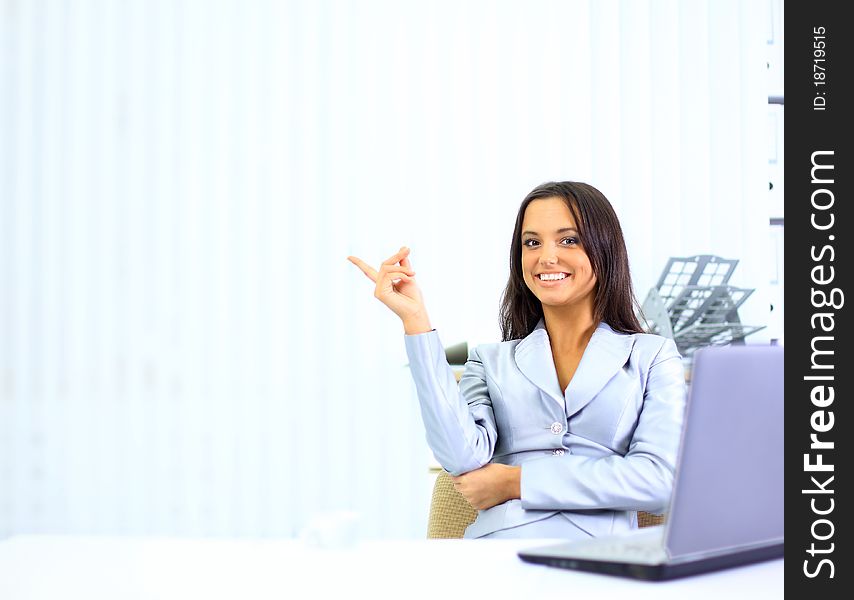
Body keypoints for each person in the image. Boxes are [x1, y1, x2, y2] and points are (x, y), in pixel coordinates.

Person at [348, 181, 686, 540]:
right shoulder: (490, 360)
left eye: (568, 239)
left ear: (605, 249)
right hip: (496, 554)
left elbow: (660, 483)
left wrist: (517, 481)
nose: (547, 257)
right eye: (532, 242)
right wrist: (416, 323)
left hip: (601, 558)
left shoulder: (652, 356)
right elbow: (459, 458)